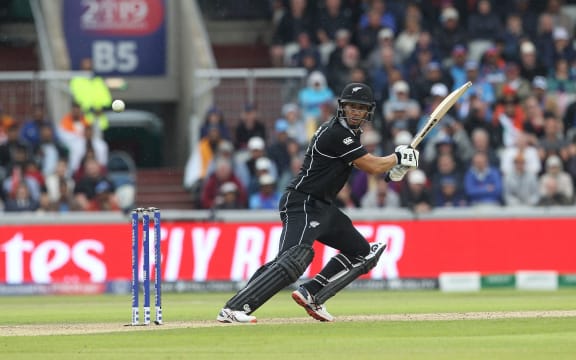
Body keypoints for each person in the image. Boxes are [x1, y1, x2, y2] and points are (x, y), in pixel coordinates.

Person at [216, 82, 420, 323]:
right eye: (351, 107)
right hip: (302, 202)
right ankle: (234, 308)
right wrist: (398, 157)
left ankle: (312, 293)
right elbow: (372, 165)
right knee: (293, 258)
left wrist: (395, 168)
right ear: (342, 108)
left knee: (363, 253)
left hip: (323, 208)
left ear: (368, 112)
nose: (355, 111)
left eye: (360, 108)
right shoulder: (335, 133)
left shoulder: (351, 136)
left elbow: (373, 167)